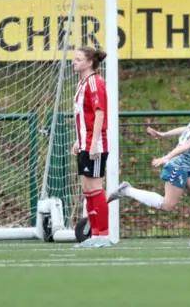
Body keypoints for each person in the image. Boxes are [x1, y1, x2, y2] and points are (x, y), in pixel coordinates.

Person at [106, 93, 190, 247]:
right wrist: (167, 157)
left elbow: (187, 129)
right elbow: (188, 144)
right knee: (168, 205)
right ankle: (127, 190)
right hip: (178, 165)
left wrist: (164, 134)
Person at [72, 46, 112, 248]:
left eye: (78, 59)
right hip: (85, 143)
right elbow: (83, 116)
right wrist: (78, 141)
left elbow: (99, 113)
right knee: (87, 189)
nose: (74, 62)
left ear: (89, 62)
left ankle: (103, 234)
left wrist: (94, 142)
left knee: (95, 188)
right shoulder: (82, 83)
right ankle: (95, 234)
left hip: (95, 144)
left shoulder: (95, 82)